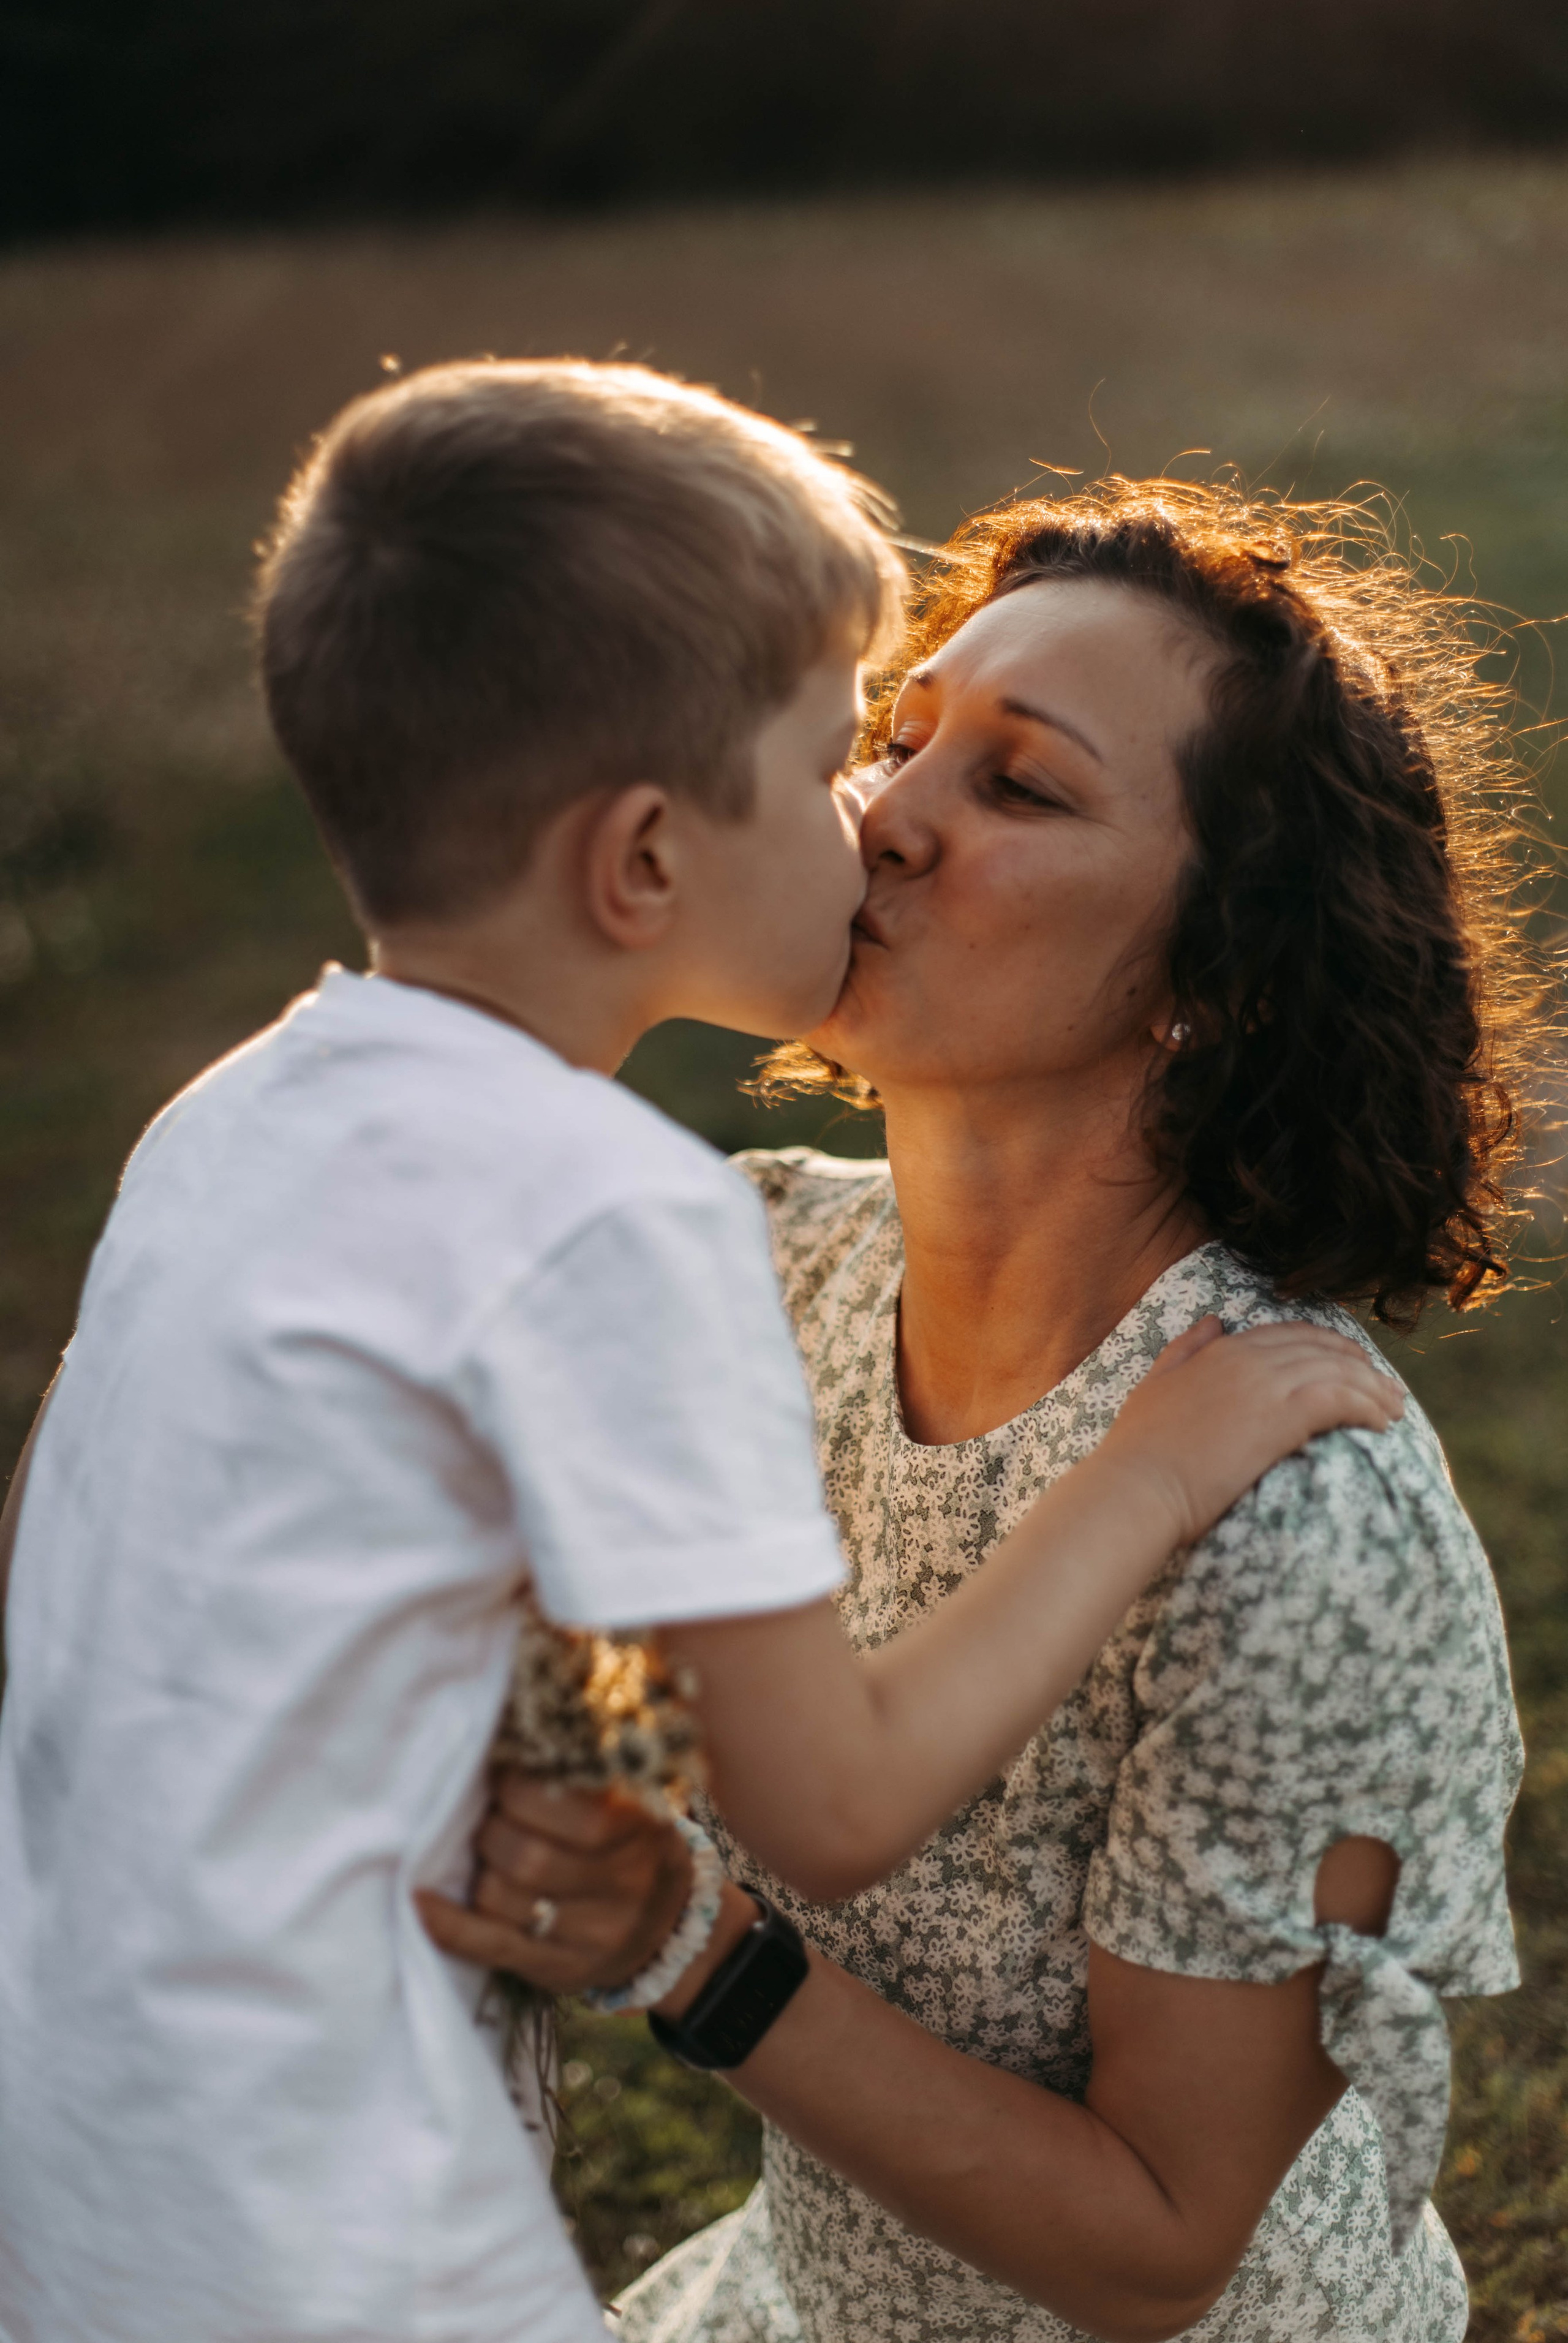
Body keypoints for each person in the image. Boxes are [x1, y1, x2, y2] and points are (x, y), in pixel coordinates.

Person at [0, 370, 1392, 2343]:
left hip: (71, 2159)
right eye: (841, 755)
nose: (873, 820)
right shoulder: (614, 1218)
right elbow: (837, 1804)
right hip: (338, 2219)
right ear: (644, 863)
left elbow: (56, 1560)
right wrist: (1151, 1476)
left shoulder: (226, 1119)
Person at [442, 477, 1532, 2343]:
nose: (882, 812)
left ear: (1219, 977)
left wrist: (685, 1951)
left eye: (1019, 786)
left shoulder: (1303, 1531)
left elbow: (1158, 2248)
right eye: (898, 734)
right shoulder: (763, 1264)